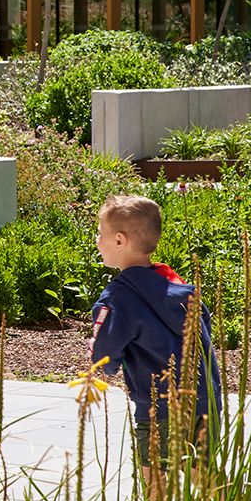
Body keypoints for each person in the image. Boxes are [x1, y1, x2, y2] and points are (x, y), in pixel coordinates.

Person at [87, 193, 221, 462]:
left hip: (159, 408)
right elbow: (204, 326)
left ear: (119, 240)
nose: (97, 241)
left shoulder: (118, 297)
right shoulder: (181, 287)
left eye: (100, 234)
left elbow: (106, 353)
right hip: (207, 401)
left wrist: (98, 358)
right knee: (203, 477)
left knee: (155, 487)